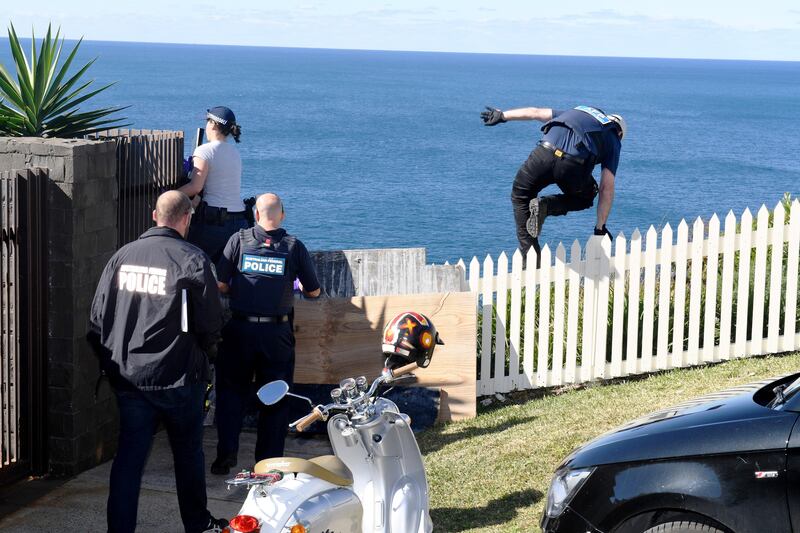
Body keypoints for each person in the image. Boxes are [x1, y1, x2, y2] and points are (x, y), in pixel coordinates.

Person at [88, 191, 227, 533]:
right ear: (186, 218)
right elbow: (212, 323)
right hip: (179, 377)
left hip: (131, 377)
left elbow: (96, 320)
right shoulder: (192, 259)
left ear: (154, 215)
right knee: (188, 456)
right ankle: (197, 524)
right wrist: (207, 356)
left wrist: (113, 366)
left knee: (129, 459)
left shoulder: (122, 256)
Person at [211, 193, 322, 475]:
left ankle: (225, 456)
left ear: (256, 215)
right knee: (275, 396)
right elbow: (314, 291)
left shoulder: (238, 240)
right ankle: (268, 464)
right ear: (282, 215)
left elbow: (221, 284)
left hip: (239, 330)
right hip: (276, 334)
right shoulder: (293, 247)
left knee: (230, 393)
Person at [481, 105, 626, 262]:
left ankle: (530, 261)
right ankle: (546, 206)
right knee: (586, 196)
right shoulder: (613, 137)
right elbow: (607, 188)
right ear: (620, 132)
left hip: (543, 153)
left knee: (521, 196)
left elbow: (535, 113)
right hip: (573, 166)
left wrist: (502, 115)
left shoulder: (578, 112)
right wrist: (600, 228)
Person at [179, 106, 248, 263]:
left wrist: (169, 195)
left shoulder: (204, 151)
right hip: (239, 221)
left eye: (207, 121)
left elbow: (195, 187)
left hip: (213, 224)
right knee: (225, 275)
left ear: (213, 124)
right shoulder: (234, 153)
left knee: (196, 267)